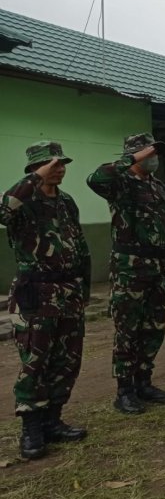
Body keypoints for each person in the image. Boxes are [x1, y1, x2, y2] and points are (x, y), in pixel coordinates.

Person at [2, 142, 89, 459]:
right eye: (52, 164)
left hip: (68, 292)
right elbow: (3, 211)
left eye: (62, 162)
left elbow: (79, 245)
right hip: (35, 294)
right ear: (35, 168)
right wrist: (33, 179)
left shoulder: (66, 201)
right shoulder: (23, 201)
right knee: (35, 361)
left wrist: (84, 288)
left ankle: (53, 421)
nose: (60, 168)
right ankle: (31, 429)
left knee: (67, 360)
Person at [87, 133, 165, 415]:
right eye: (149, 153)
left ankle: (144, 382)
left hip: (157, 267)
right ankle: (124, 390)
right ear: (135, 156)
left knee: (153, 329)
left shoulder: (158, 186)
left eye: (156, 153)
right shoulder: (119, 183)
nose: (155, 158)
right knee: (128, 331)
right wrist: (131, 159)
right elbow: (95, 179)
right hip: (130, 267)